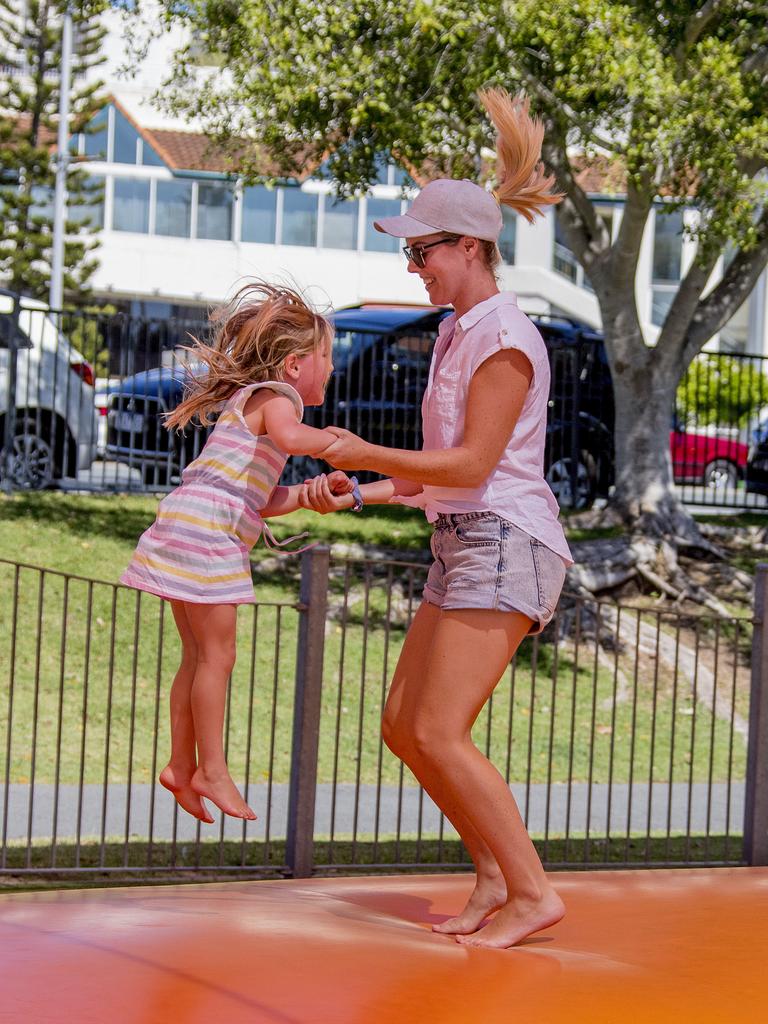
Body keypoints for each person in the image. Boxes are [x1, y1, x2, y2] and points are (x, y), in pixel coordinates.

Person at [315, 89, 574, 949]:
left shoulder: (502, 338)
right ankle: (497, 873)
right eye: (412, 250)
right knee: (402, 726)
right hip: (466, 537)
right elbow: (444, 483)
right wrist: (359, 491)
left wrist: (366, 454)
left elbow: (471, 469)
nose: (414, 264)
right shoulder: (461, 331)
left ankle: (534, 892)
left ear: (471, 247)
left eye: (424, 250)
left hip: (507, 542)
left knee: (435, 727)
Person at [120, 282, 356, 823]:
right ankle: (212, 771)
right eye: (326, 356)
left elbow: (259, 495)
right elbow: (295, 441)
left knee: (200, 657)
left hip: (190, 518)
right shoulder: (278, 398)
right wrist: (340, 443)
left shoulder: (253, 404)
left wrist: (309, 498)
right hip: (207, 533)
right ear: (294, 365)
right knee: (219, 657)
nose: (332, 368)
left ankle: (182, 764)